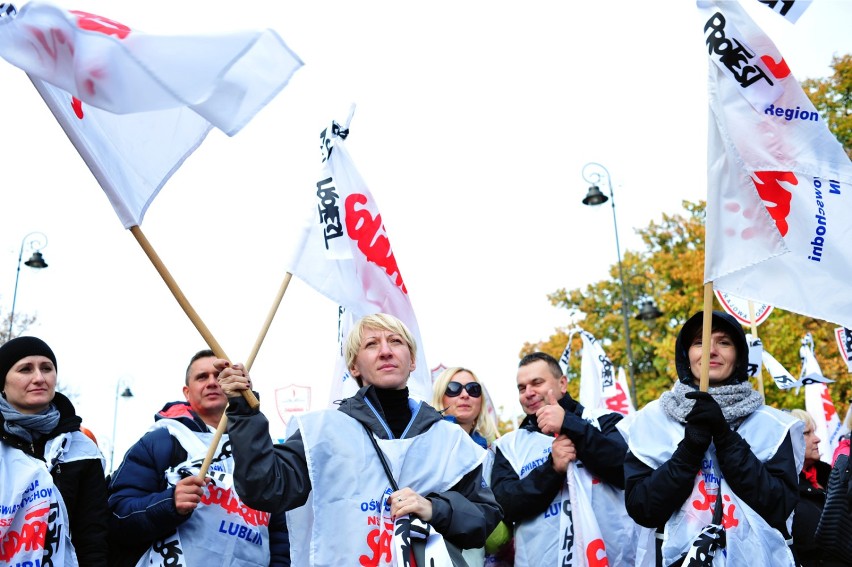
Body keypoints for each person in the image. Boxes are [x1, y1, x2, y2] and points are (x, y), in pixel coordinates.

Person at [218, 313, 502, 566]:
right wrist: (244, 411)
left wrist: (434, 508)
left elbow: (484, 519)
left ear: (412, 361)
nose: (386, 351)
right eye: (371, 345)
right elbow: (265, 487)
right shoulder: (320, 431)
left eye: (395, 341)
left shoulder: (450, 439)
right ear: (354, 367)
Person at [619, 311, 802, 566]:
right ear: (686, 355)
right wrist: (689, 450)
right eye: (699, 342)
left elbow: (779, 507)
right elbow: (643, 508)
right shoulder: (652, 420)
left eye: (724, 342)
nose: (711, 351)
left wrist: (726, 439)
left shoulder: (771, 425)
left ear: (739, 357)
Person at [107, 349, 290, 566]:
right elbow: (116, 514)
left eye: (219, 376)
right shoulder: (161, 441)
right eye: (202, 377)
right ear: (187, 392)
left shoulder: (260, 449)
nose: (212, 382)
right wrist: (169, 503)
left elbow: (279, 535)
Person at [490, 351, 635, 566]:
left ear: (563, 384)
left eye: (536, 383)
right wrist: (552, 469)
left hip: (614, 558)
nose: (528, 393)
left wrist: (570, 425)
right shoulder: (509, 446)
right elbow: (505, 505)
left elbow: (627, 472)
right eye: (522, 388)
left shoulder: (605, 421)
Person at [0, 336, 109, 565]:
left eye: (47, 368)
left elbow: (92, 537)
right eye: (25, 369)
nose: (39, 378)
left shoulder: (83, 449)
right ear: (3, 382)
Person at [431, 367, 511, 566]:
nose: (465, 394)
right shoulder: (426, 442)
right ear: (441, 397)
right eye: (453, 388)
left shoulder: (492, 453)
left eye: (473, 389)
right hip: (436, 553)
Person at [790, 408, 845, 566]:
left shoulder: (832, 475)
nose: (817, 439)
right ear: (789, 439)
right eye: (807, 433)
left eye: (814, 432)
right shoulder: (782, 487)